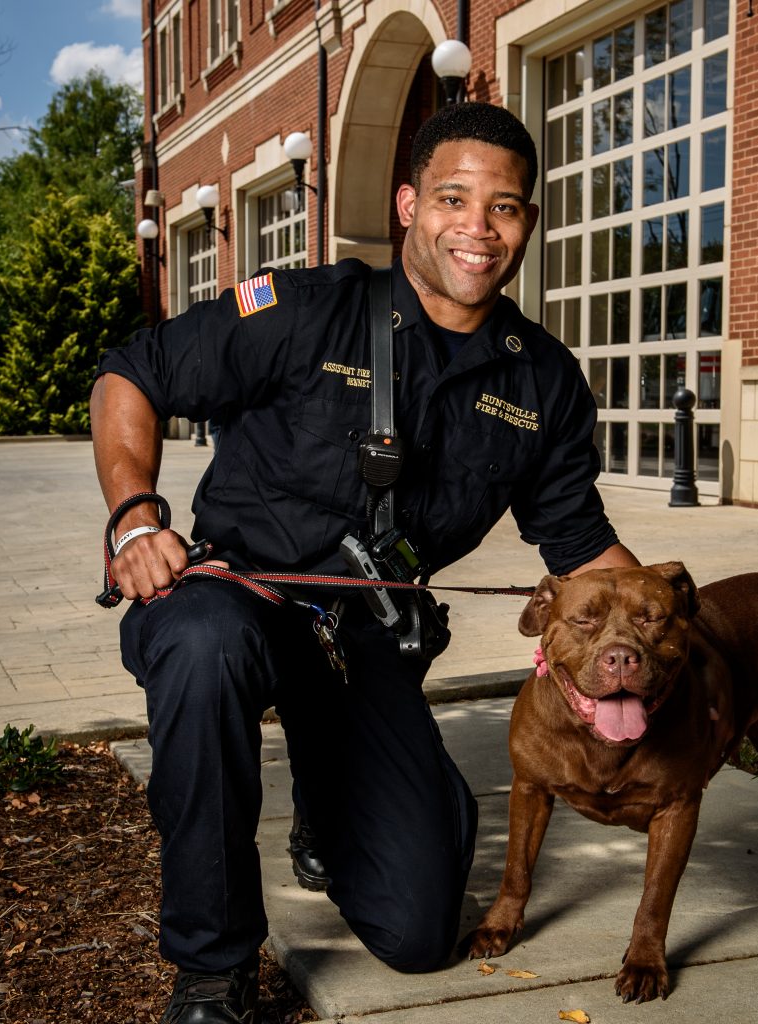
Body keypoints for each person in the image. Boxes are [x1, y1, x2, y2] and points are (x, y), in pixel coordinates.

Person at [90, 101, 639, 1024]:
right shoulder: (307, 309)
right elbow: (131, 373)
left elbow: (582, 546)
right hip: (235, 595)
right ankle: (214, 970)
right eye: (453, 199)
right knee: (201, 651)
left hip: (365, 638)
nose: (476, 228)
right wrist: (135, 518)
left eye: (503, 208)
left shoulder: (539, 378)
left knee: (421, 931)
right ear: (406, 204)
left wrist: (687, 624)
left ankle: (326, 801)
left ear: (527, 225)